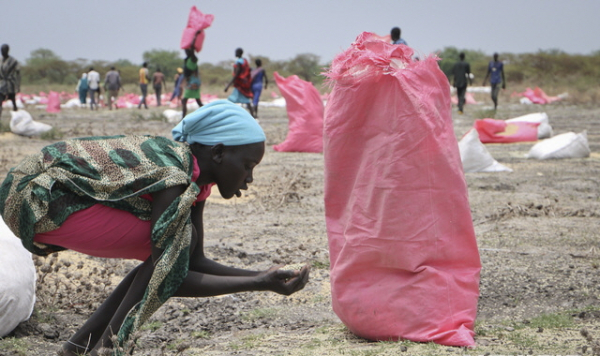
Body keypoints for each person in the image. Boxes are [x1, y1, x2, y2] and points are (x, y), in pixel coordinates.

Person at [0, 99, 310, 355]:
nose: (249, 179)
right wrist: (257, 283)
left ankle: (79, 347)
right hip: (33, 199)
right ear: (218, 153)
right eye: (247, 166)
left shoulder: (196, 180)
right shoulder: (175, 175)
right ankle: (108, 348)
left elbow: (193, 261)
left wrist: (263, 277)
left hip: (51, 197)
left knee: (174, 245)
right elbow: (171, 275)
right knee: (171, 247)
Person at [224, 48, 254, 116]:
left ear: (239, 53)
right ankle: (253, 116)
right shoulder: (244, 61)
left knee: (231, 100)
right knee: (246, 101)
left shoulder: (239, 62)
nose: (235, 54)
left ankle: (228, 115)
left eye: (236, 52)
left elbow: (236, 75)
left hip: (239, 85)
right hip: (243, 84)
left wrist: (228, 86)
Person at [182, 30, 204, 119]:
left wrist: (195, 35)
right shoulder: (187, 59)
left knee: (185, 100)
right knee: (197, 101)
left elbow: (192, 48)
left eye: (187, 51)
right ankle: (183, 118)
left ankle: (183, 118)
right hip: (191, 82)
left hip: (193, 83)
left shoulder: (193, 58)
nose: (186, 52)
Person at [0, 44, 21, 123]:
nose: (2, 52)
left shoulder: (13, 61)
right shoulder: (0, 60)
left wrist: (18, 85)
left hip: (10, 83)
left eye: (4, 50)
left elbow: (18, 73)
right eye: (1, 50)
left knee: (13, 100)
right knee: (0, 100)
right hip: (2, 84)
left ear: (7, 51)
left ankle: (16, 118)